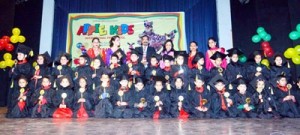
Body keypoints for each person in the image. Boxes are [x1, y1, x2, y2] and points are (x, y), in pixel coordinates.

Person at [8, 44, 34, 110]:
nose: (18, 56)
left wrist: (15, 72)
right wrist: (12, 71)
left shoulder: (27, 65)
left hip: (22, 85)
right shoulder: (16, 64)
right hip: (14, 84)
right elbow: (10, 74)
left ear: (25, 56)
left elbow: (25, 75)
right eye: (18, 54)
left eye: (20, 54)